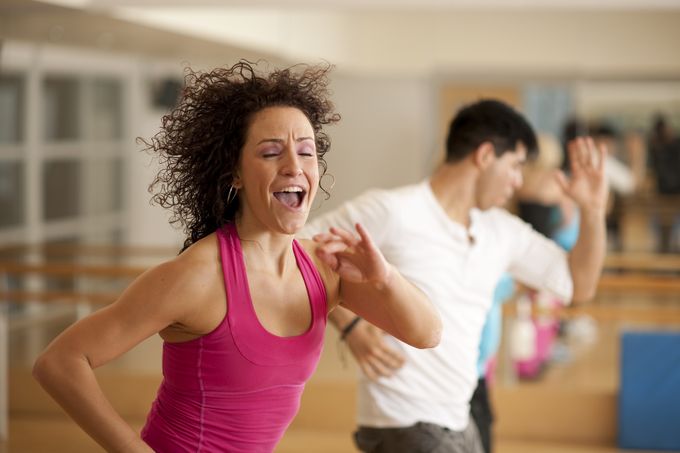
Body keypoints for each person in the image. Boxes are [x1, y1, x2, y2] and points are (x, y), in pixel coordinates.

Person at [31, 60, 442, 453]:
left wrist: (385, 277)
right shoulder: (196, 276)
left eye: (306, 151)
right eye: (270, 153)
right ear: (234, 173)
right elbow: (60, 361)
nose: (293, 166)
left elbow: (427, 334)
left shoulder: (323, 267)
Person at [301, 99, 608, 453]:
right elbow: (297, 251)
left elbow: (577, 284)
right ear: (485, 155)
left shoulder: (501, 231)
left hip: (459, 417)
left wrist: (594, 210)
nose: (518, 181)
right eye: (516, 166)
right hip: (401, 419)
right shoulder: (395, 210)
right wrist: (350, 326)